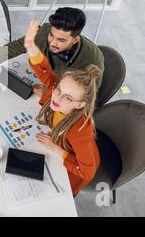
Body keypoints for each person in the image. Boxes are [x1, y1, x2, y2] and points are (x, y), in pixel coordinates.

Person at [0, 7, 104, 94]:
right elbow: (9, 50)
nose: (53, 43)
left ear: (75, 39)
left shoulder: (92, 59)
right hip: (43, 84)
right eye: (52, 35)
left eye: (61, 40)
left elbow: (88, 99)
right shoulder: (44, 31)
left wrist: (51, 94)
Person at [25, 20, 101, 196]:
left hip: (75, 167)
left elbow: (88, 172)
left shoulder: (80, 132)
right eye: (58, 90)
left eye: (67, 98)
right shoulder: (55, 92)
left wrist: (56, 149)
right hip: (64, 142)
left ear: (80, 104)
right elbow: (44, 70)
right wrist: (29, 45)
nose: (56, 97)